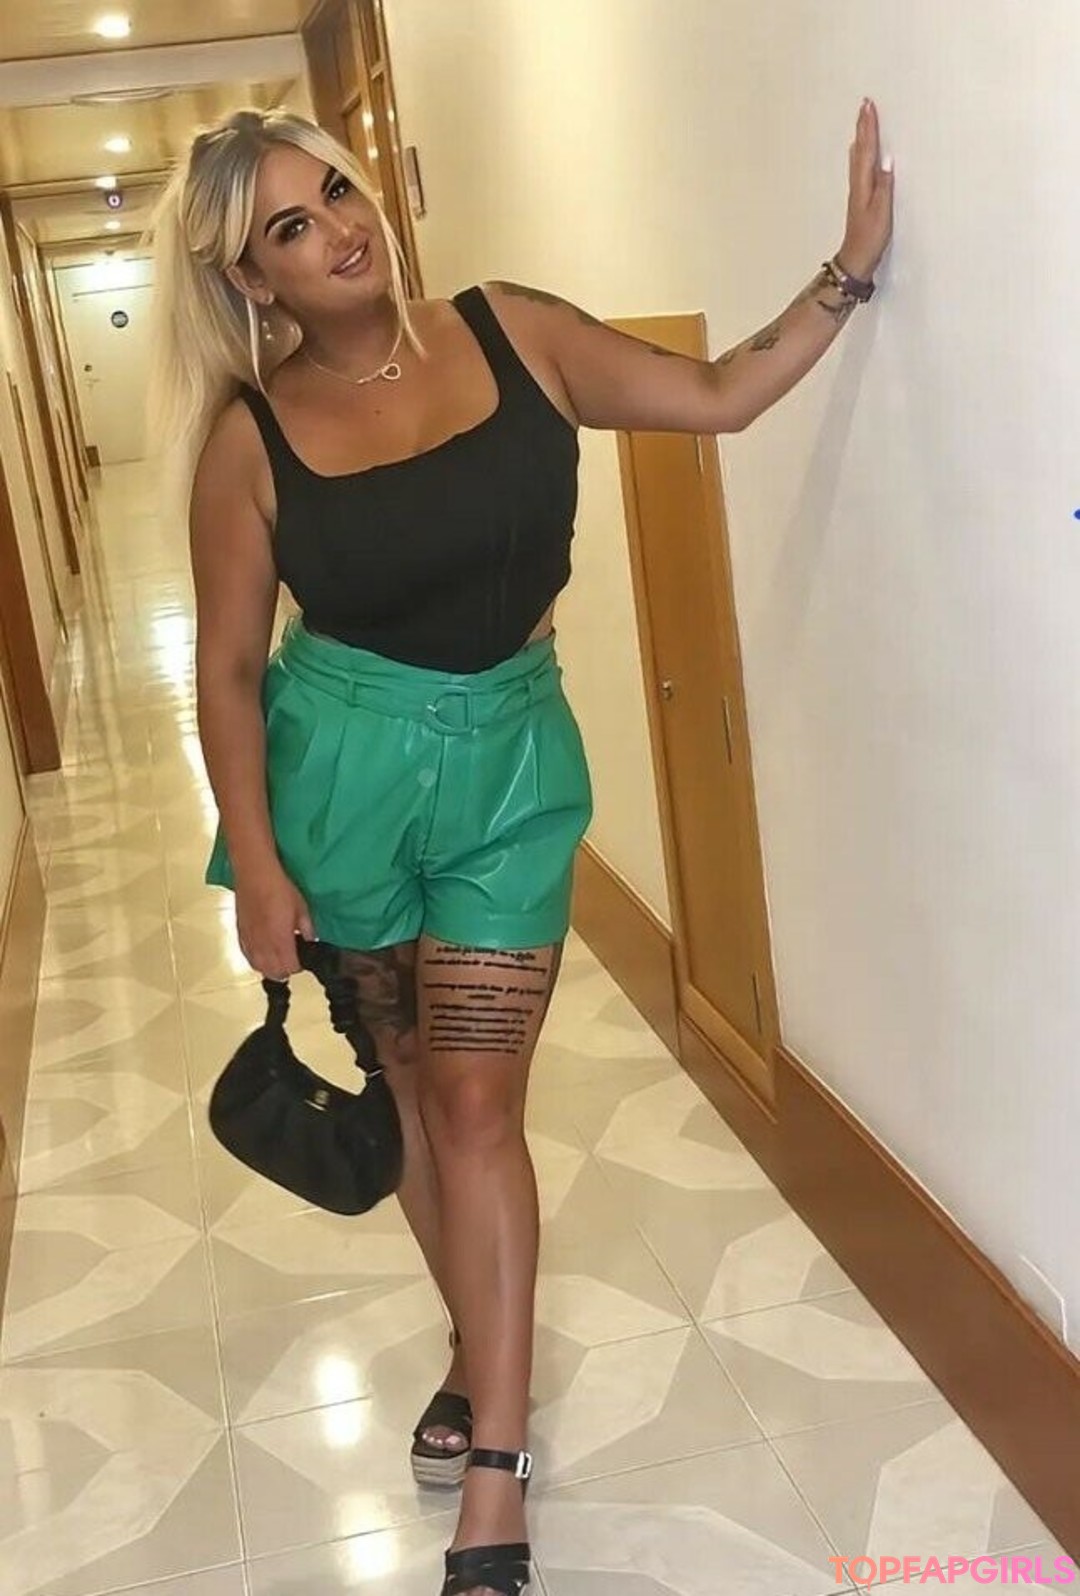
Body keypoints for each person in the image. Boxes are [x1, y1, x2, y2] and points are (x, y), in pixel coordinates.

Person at [149, 101, 893, 1596]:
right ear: (250, 280)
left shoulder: (515, 332)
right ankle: (478, 1346)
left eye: (335, 190)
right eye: (291, 226)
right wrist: (260, 866)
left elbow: (715, 396)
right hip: (342, 777)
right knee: (415, 1094)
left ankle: (497, 1459)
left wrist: (849, 272)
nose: (340, 228)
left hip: (511, 770)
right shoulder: (250, 442)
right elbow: (226, 670)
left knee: (481, 1098)